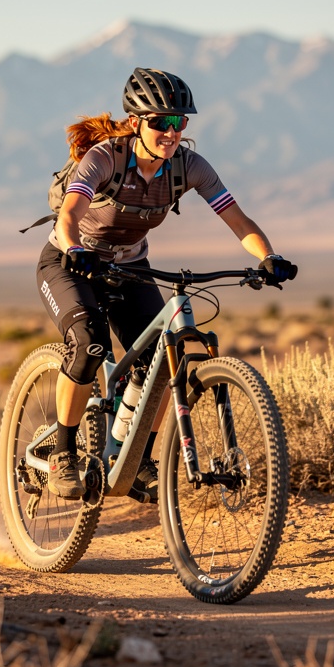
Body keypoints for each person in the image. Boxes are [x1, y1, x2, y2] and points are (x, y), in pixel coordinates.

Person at [36, 67, 297, 501]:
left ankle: (135, 459)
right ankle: (64, 452)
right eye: (161, 121)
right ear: (137, 122)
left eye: (180, 122)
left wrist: (267, 257)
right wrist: (74, 246)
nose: (172, 131)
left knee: (159, 360)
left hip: (129, 267)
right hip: (70, 262)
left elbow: (237, 218)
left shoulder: (189, 167)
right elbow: (69, 213)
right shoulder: (104, 158)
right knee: (89, 343)